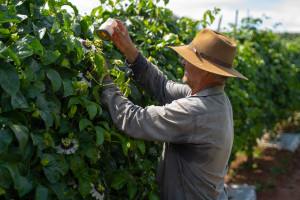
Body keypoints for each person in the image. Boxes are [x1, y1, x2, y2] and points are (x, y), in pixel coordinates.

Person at [99, 19, 248, 200]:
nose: (183, 62)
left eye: (190, 59)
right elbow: (162, 87)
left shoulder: (196, 111)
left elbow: (134, 120)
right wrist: (129, 49)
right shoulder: (217, 99)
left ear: (205, 71)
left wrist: (104, 79)